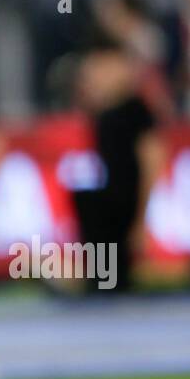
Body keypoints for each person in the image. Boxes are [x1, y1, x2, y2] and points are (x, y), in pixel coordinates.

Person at [70, 39, 165, 295]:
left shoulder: (136, 110)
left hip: (125, 202)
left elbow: (153, 157)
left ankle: (108, 282)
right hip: (110, 198)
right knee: (84, 198)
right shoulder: (103, 113)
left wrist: (141, 217)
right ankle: (101, 280)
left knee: (116, 280)